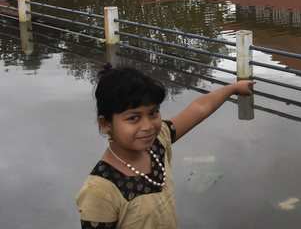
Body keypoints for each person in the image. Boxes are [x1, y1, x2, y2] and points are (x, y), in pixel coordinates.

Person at [76, 65, 254, 228]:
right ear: (106, 124)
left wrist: (233, 88)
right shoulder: (100, 190)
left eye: (153, 113)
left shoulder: (158, 142)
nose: (147, 126)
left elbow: (199, 108)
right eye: (133, 118)